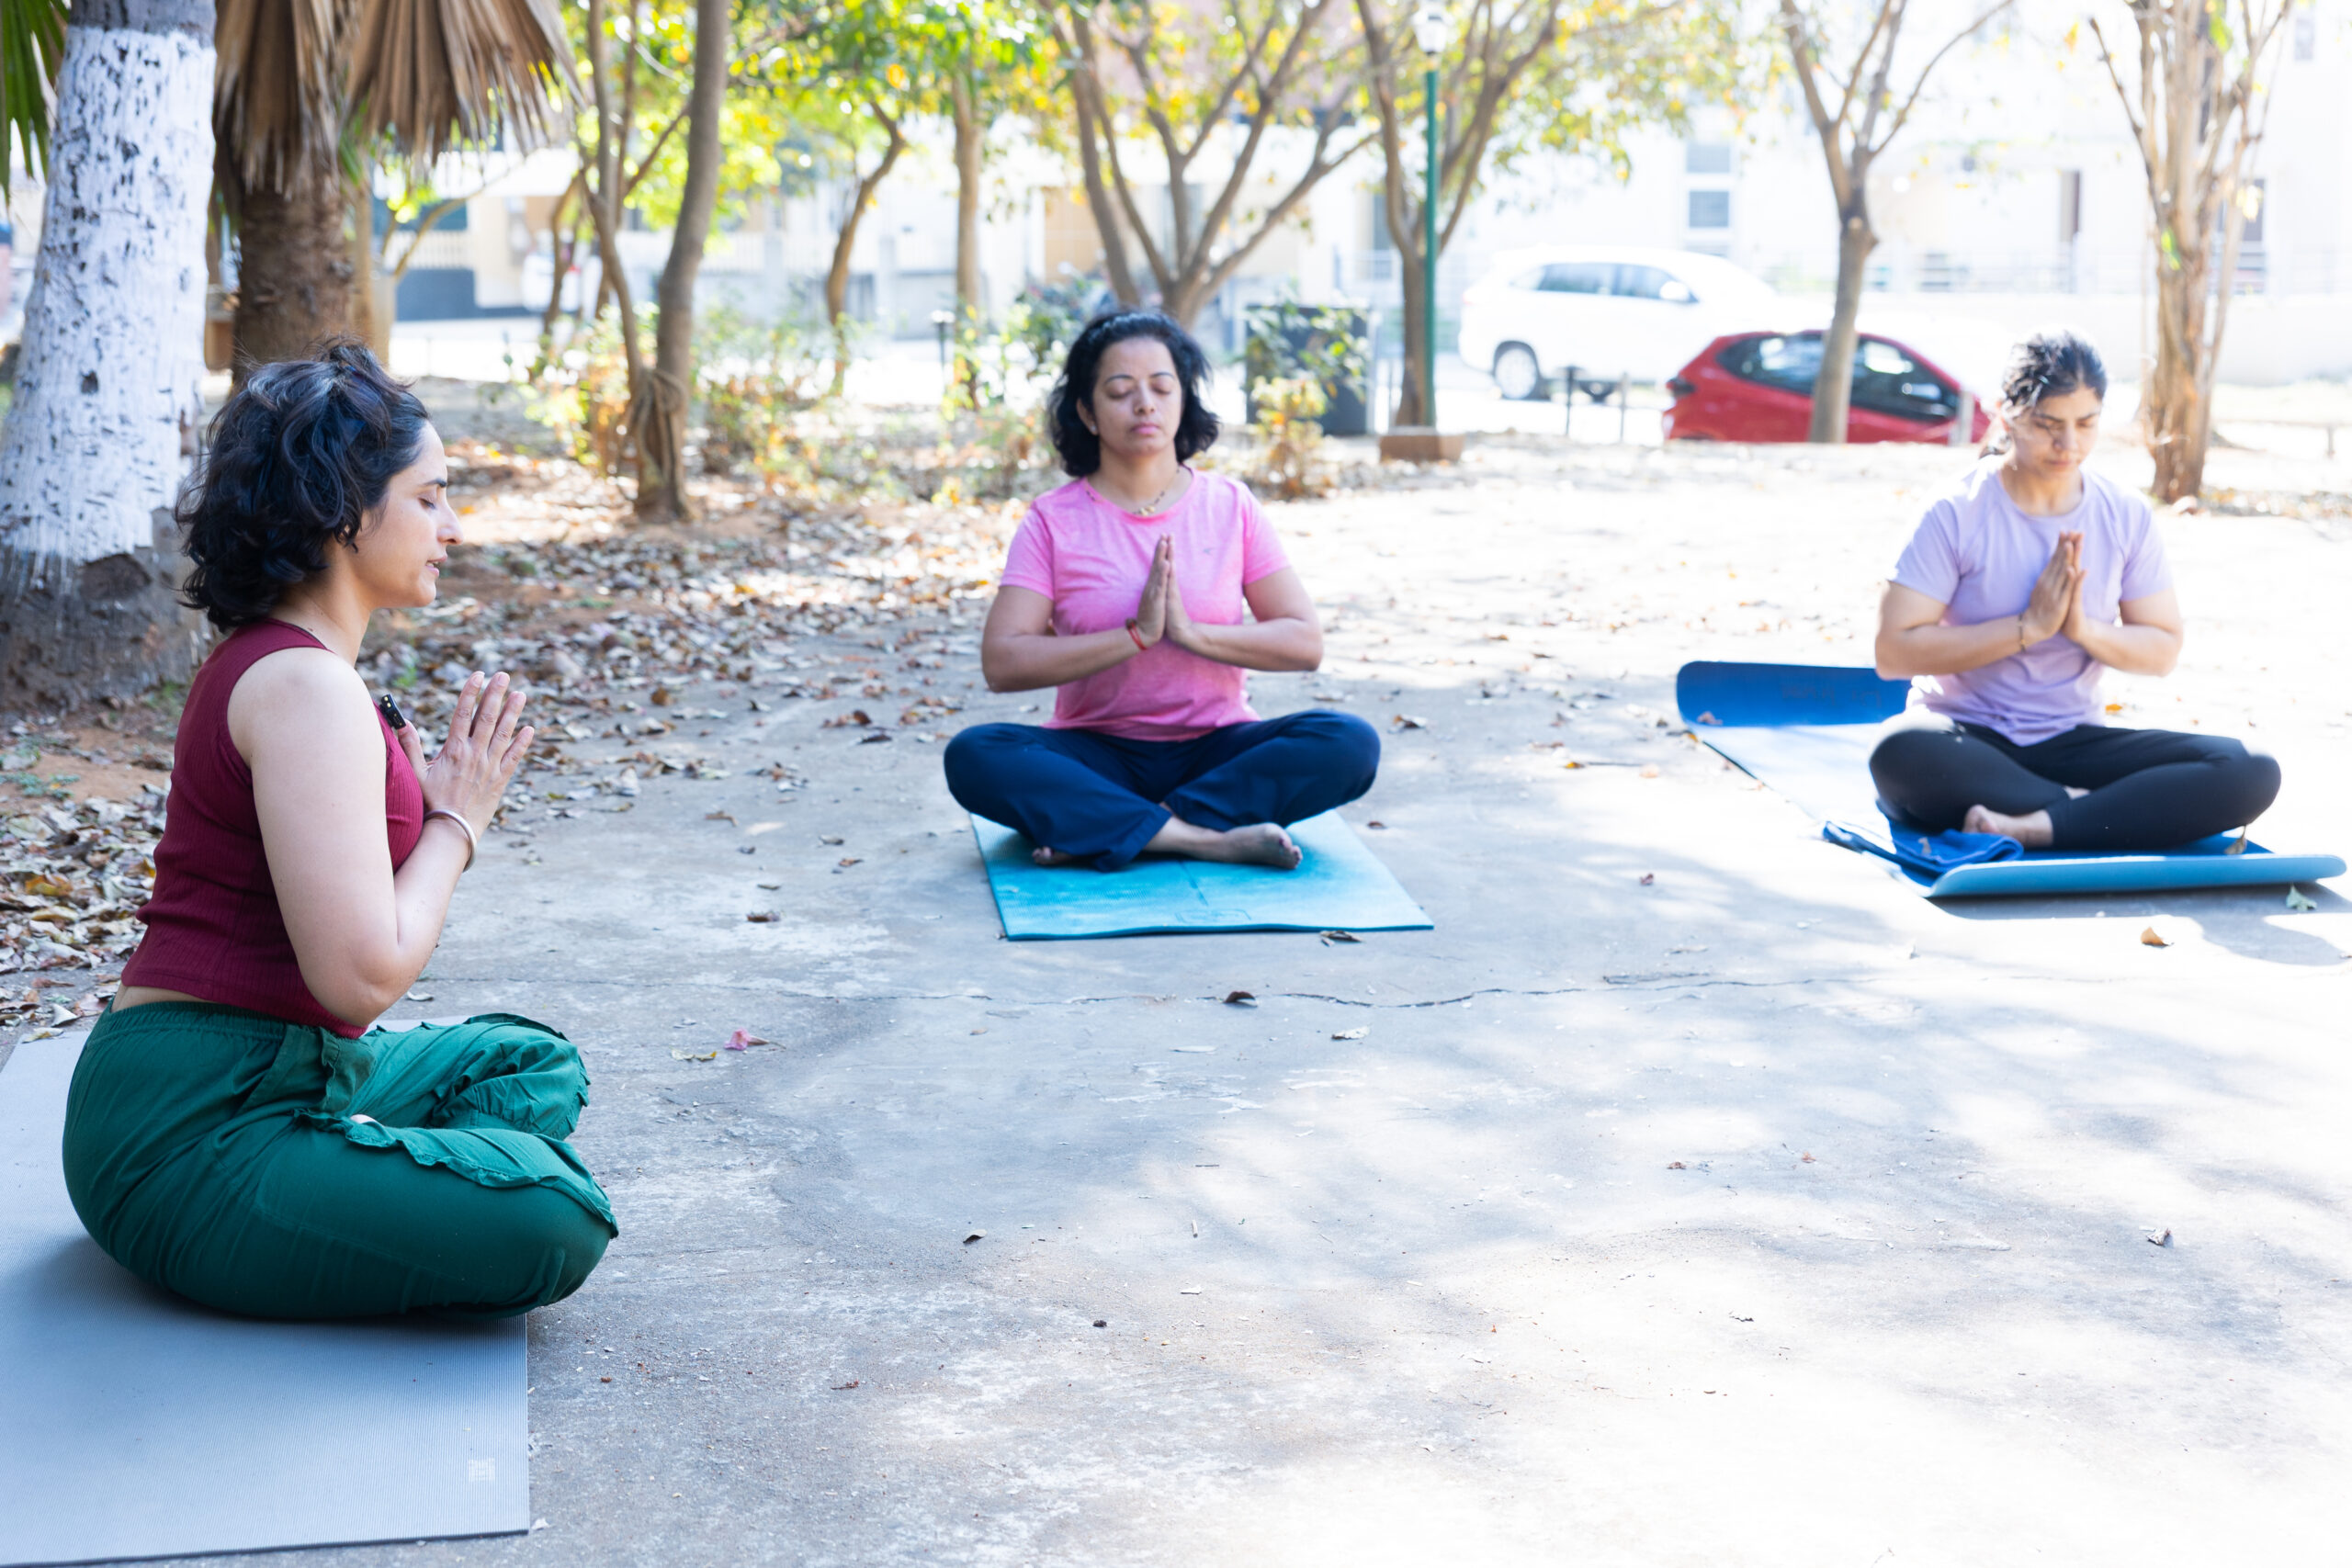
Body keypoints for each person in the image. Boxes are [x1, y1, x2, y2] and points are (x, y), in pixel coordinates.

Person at [62, 341, 614, 1320]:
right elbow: (359, 978)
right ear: (343, 511)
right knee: (553, 1215)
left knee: (530, 1064)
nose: (453, 526)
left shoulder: (292, 669)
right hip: (191, 1130)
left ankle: (355, 1175)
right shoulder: (304, 688)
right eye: (431, 496)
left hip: (289, 1071)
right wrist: (455, 818)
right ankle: (353, 1183)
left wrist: (421, 793)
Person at [944, 310, 1379, 871]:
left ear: (1182, 401)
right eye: (1120, 391)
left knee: (1348, 742)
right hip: (1096, 751)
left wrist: (1192, 635)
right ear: (1088, 414)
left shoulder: (1230, 507)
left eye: (1161, 387)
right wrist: (1136, 636)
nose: (1144, 404)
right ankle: (1202, 838)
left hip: (1217, 750)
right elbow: (1004, 662)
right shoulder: (1053, 520)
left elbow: (1303, 643)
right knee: (975, 756)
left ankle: (1114, 825)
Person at [1868, 330, 2278, 851]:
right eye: (2048, 425)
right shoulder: (1955, 510)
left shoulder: (2122, 513)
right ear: (2007, 414)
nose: (2069, 445)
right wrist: (2027, 629)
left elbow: (2162, 650)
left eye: (2086, 425)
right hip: (1965, 738)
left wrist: (2083, 629)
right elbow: (1892, 653)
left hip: (2072, 740)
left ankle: (2036, 824)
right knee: (1898, 752)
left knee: (2250, 768)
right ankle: (2096, 811)